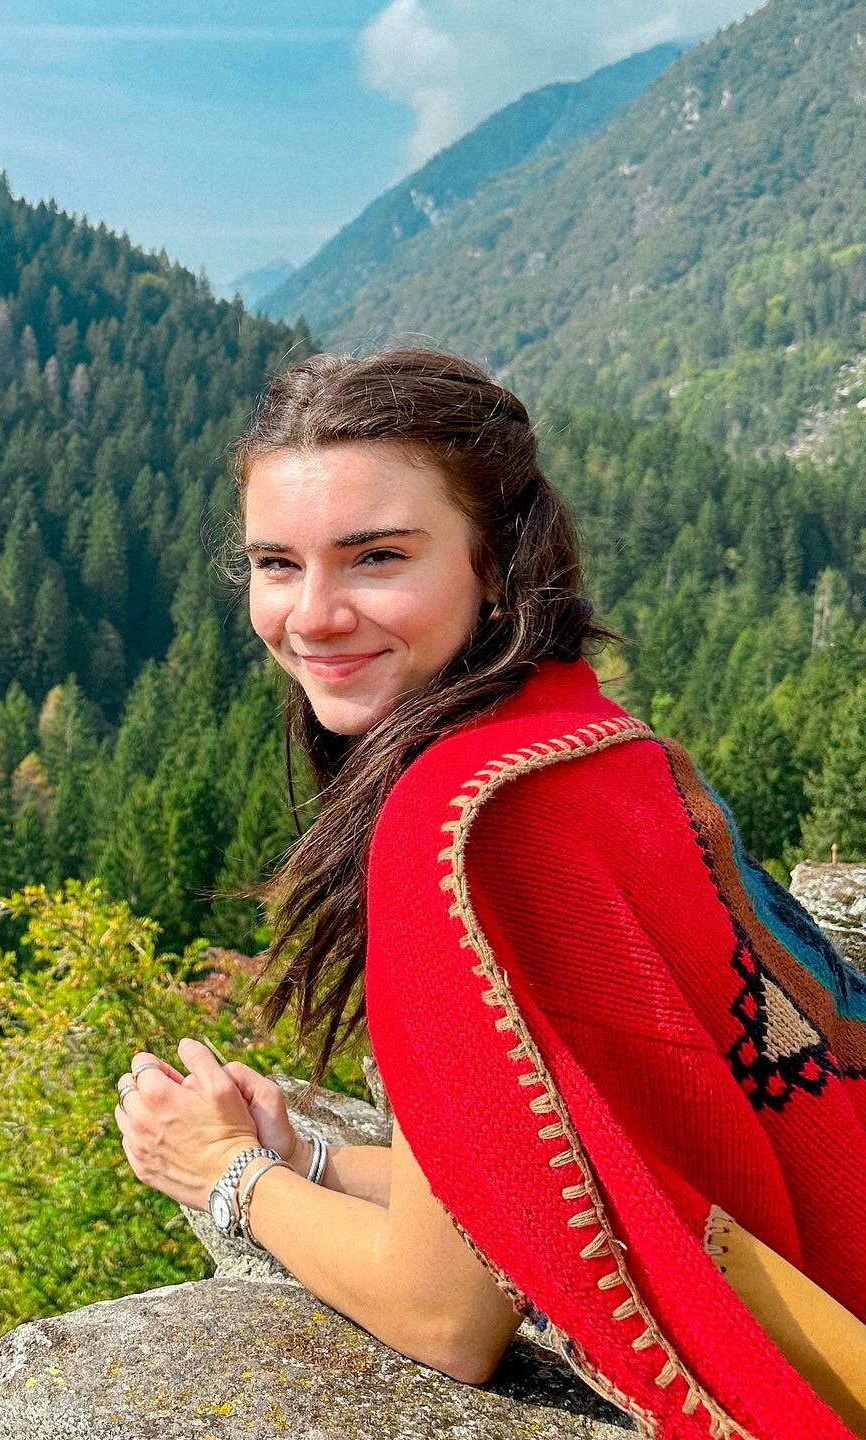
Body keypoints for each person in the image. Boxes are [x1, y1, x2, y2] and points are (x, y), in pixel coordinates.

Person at [112, 347, 866, 1440]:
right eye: (276, 564)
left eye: (376, 557)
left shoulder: (455, 832)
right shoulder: (600, 745)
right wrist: (309, 1159)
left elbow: (446, 1314)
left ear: (499, 562)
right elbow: (548, 1177)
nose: (313, 616)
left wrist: (223, 1174)